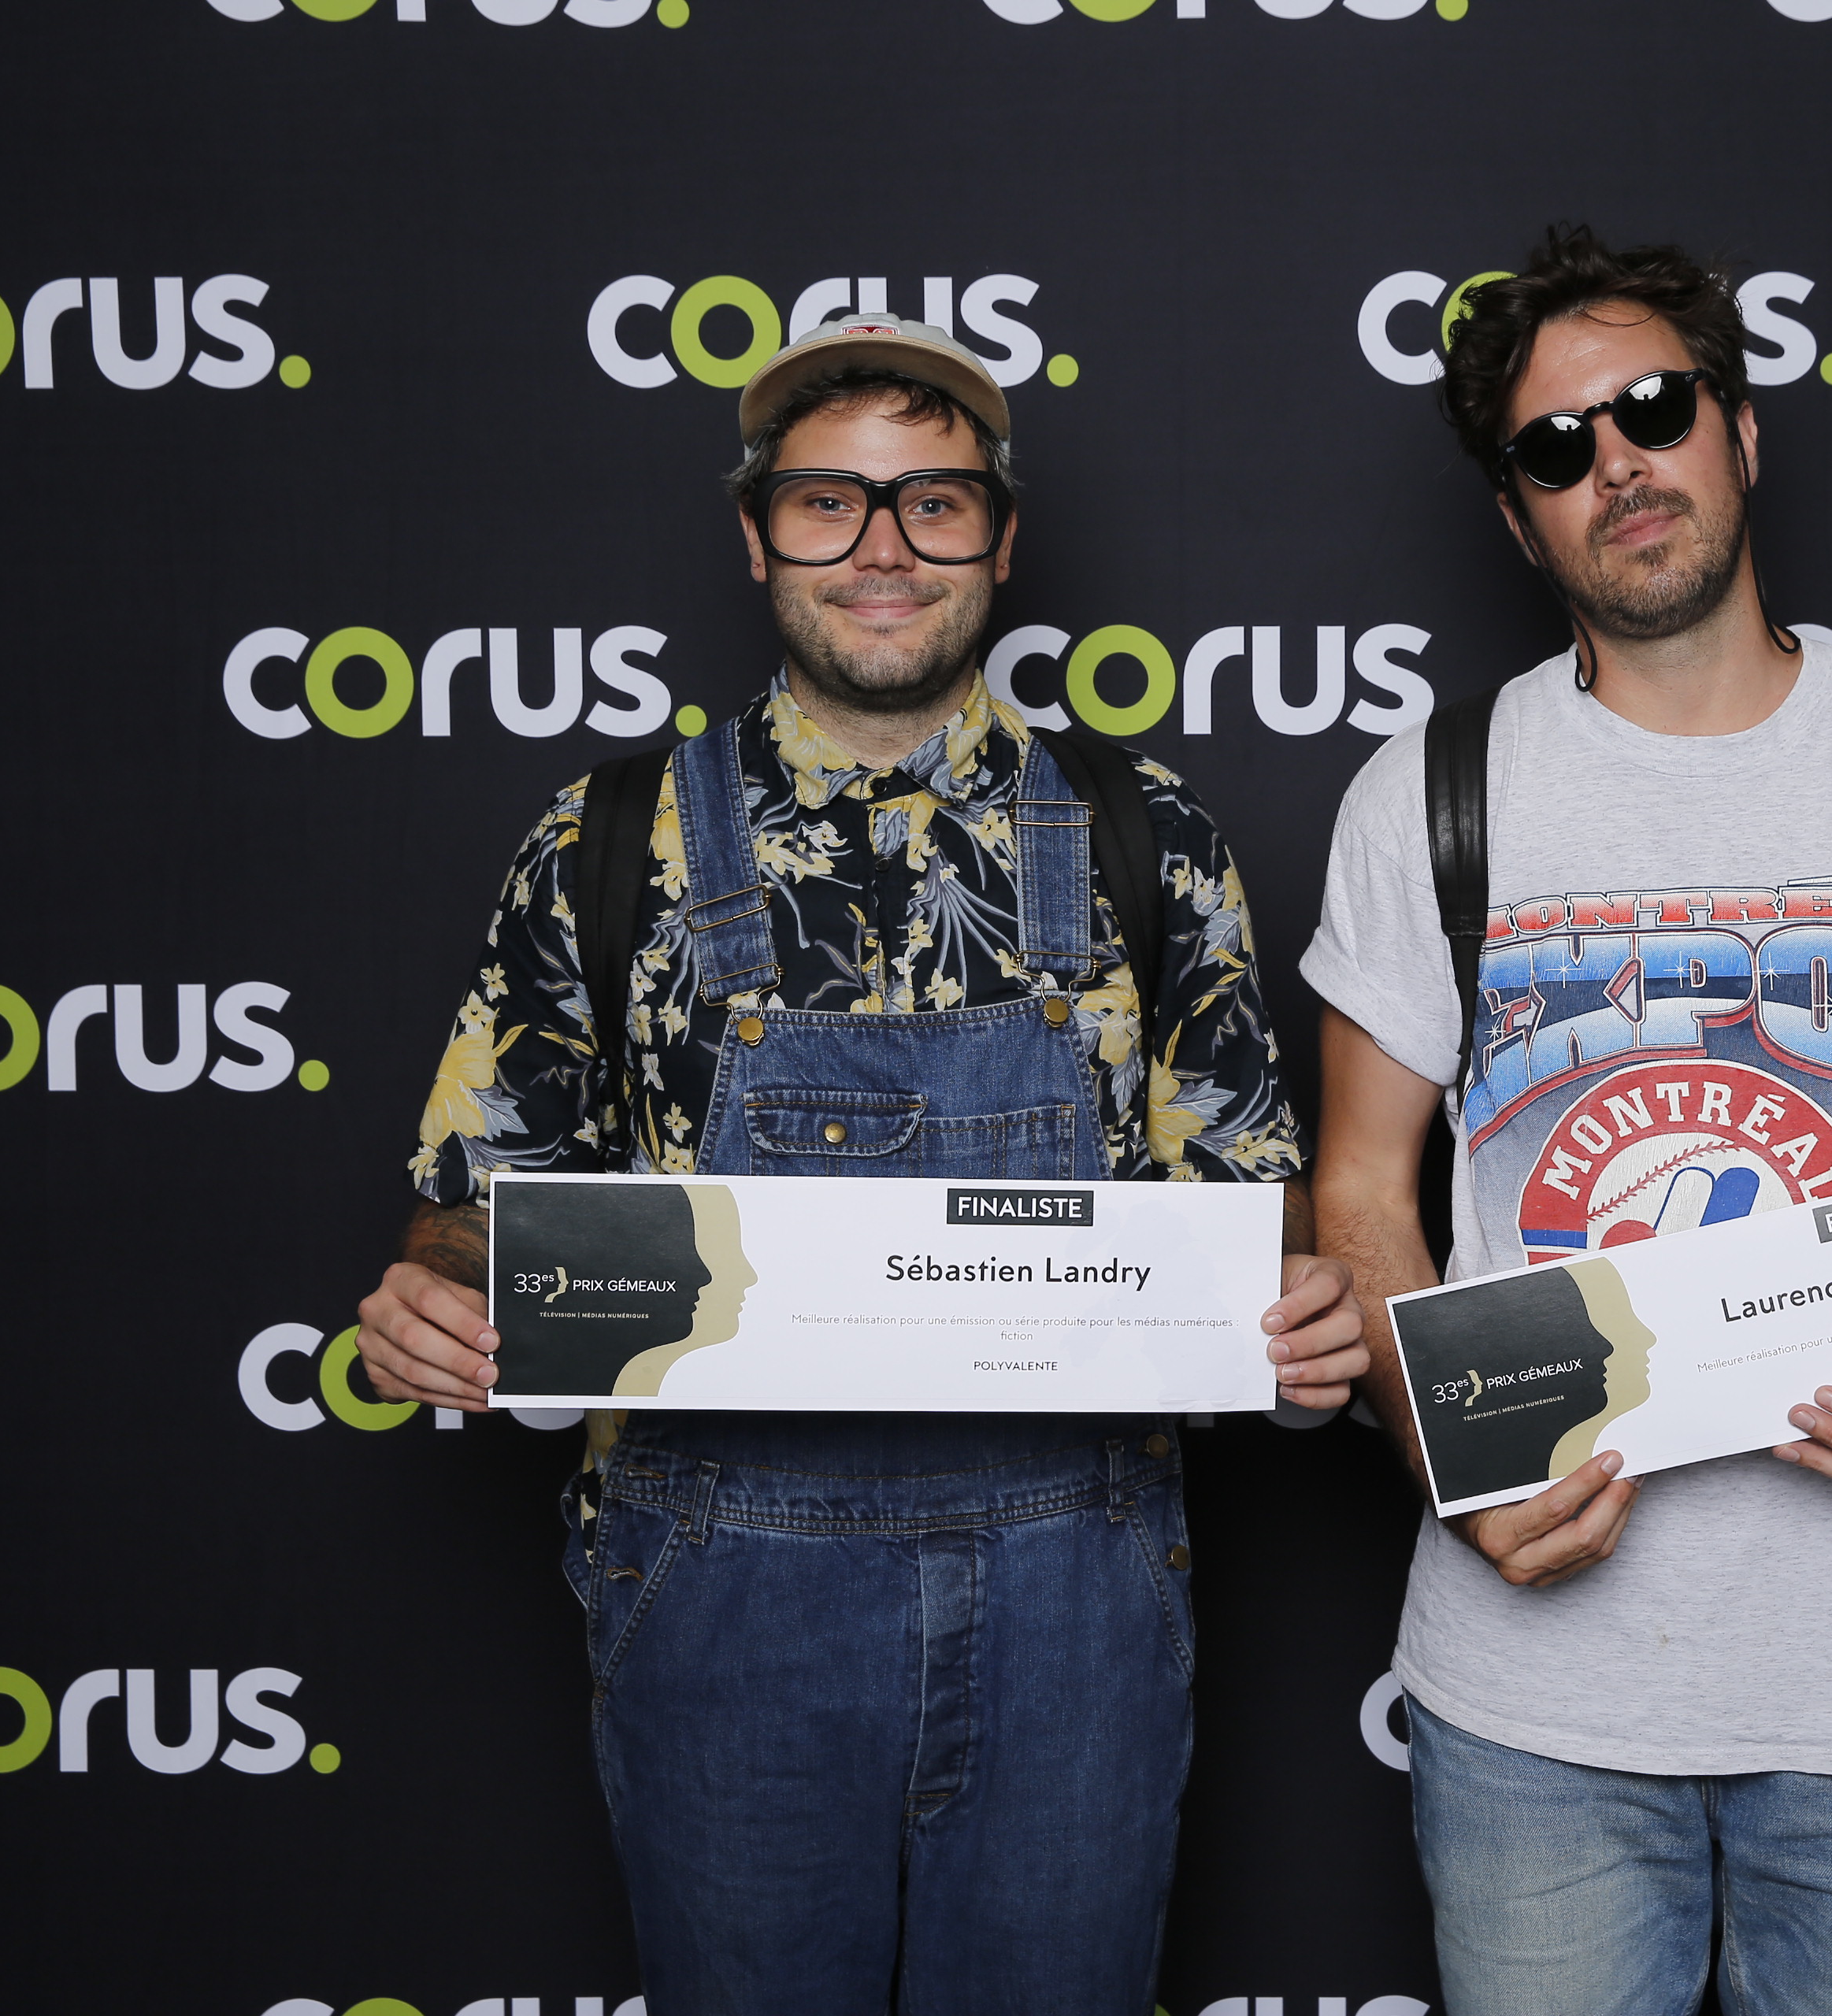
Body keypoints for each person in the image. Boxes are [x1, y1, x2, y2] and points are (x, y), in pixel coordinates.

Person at [351, 313, 1368, 2016]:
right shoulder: (606, 841)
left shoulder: (1152, 837)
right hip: (718, 1594)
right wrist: (433, 1300)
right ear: (758, 538)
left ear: (1002, 542)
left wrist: (1302, 1323)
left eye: (934, 503)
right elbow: (474, 1215)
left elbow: (1251, 1229)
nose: (884, 548)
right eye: (830, 501)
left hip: (1077, 1597)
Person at [1304, 227, 1832, 2014]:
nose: (1616, 462)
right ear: (1520, 517)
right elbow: (1363, 1187)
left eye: (1656, 409)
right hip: (1531, 1709)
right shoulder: (1431, 793)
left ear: (1740, 431)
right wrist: (1448, 1456)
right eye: (1556, 447)